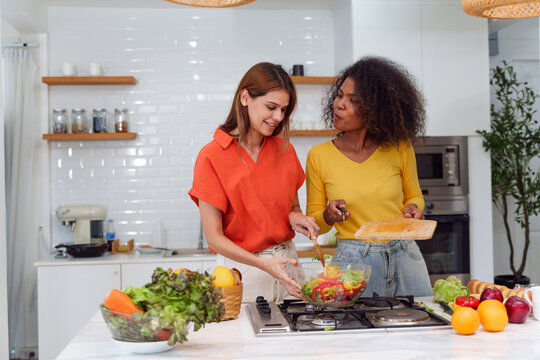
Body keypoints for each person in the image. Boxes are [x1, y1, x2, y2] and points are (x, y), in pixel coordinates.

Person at [189, 62, 320, 302]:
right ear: (245, 97)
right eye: (271, 107)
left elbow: (292, 208)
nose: (278, 117)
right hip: (243, 271)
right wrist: (263, 264)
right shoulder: (212, 156)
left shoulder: (284, 150)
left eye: (284, 110)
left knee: (298, 338)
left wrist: (297, 218)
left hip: (288, 265)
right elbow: (214, 238)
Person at [306, 56, 432, 297]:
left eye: (353, 101)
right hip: (354, 262)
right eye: (340, 95)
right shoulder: (319, 155)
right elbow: (315, 224)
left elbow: (414, 195)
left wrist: (414, 208)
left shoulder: (399, 147)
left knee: (424, 327)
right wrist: (328, 215)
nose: (339, 104)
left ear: (377, 109)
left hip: (405, 253)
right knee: (356, 332)